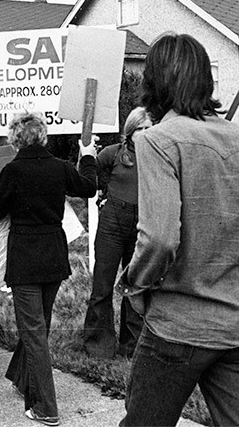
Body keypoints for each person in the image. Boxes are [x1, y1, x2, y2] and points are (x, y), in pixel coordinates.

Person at [117, 33, 239, 426]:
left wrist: (135, 287)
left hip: (177, 326)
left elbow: (158, 238)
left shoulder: (157, 141)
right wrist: (226, 214)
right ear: (205, 81)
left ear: (153, 85)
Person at [0, 113, 97, 426]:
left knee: (34, 332)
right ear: (43, 137)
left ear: (17, 140)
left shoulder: (13, 171)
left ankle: (46, 407)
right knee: (39, 325)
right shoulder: (60, 167)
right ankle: (23, 379)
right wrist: (86, 155)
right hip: (54, 255)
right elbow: (88, 187)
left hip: (24, 257)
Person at [82, 107, 152, 359]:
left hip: (142, 225)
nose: (144, 134)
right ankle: (98, 345)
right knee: (102, 284)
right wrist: (101, 194)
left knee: (134, 285)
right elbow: (88, 176)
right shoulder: (112, 154)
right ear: (129, 131)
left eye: (148, 129)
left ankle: (131, 345)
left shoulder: (158, 157)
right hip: (112, 224)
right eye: (140, 129)